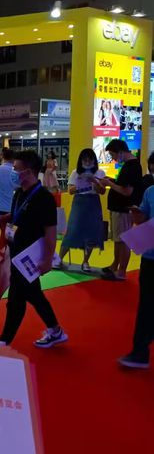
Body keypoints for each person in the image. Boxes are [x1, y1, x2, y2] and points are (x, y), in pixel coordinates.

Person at [0, 150, 67, 348]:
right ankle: (55, 330)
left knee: (16, 299)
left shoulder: (44, 198)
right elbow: (17, 215)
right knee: (33, 294)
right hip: (16, 252)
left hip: (31, 256)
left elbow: (50, 232)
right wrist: (2, 217)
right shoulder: (19, 193)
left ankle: (4, 341)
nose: (13, 172)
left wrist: (47, 260)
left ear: (30, 171)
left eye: (17, 169)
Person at [118, 185, 154, 369]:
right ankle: (140, 352)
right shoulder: (150, 191)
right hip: (150, 256)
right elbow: (143, 218)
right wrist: (138, 216)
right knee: (146, 306)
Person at [55, 149, 106, 273]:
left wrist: (94, 181)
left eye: (90, 159)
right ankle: (59, 259)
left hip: (94, 202)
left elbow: (102, 191)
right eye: (85, 160)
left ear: (94, 160)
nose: (87, 162)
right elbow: (70, 191)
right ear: (81, 161)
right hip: (79, 202)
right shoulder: (75, 172)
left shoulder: (100, 173)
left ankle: (86, 261)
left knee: (92, 232)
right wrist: (81, 185)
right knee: (72, 230)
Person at [99, 139, 143, 281]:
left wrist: (109, 183)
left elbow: (127, 191)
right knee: (118, 240)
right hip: (119, 208)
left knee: (123, 241)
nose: (113, 158)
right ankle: (115, 266)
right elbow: (123, 185)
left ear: (121, 152)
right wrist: (112, 180)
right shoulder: (128, 166)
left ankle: (121, 271)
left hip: (123, 209)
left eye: (113, 155)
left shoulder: (132, 167)